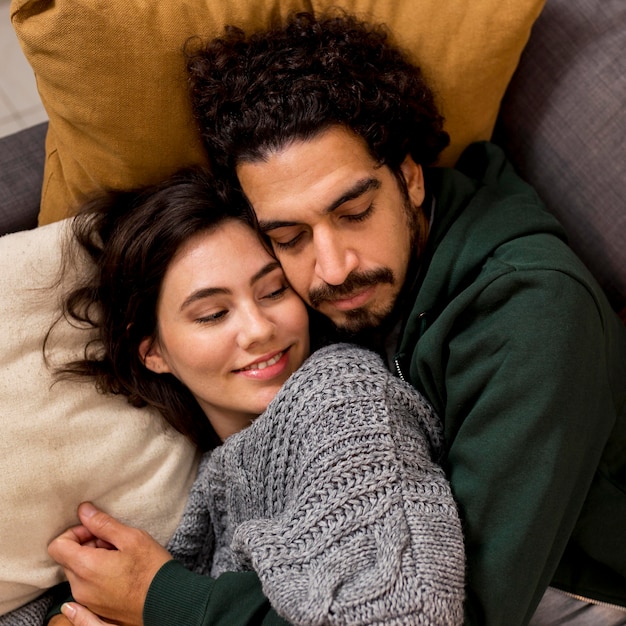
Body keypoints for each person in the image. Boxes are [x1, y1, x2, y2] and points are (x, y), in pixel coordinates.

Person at [184, 10, 626, 626]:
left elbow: (452, 611)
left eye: (355, 212)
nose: (332, 269)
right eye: (289, 237)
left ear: (411, 178)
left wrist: (176, 603)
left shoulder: (532, 317)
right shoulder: (352, 290)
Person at [3, 167, 464, 626]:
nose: (260, 329)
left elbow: (404, 613)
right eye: (213, 314)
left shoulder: (342, 397)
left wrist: (164, 602)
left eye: (273, 290)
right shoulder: (208, 475)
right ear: (154, 352)